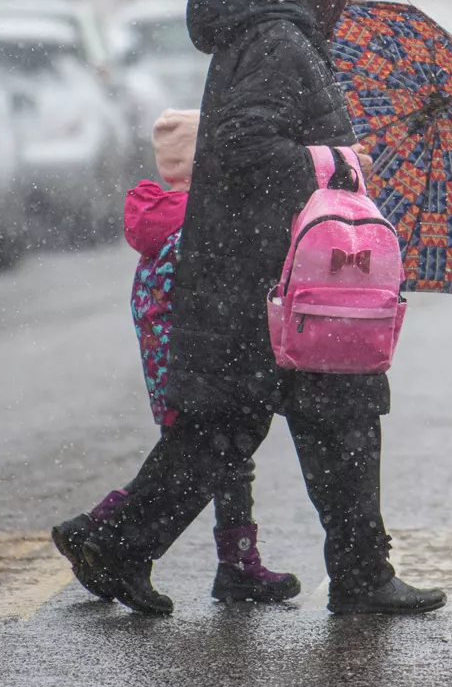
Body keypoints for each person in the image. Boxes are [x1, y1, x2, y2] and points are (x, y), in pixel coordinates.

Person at [68, 0, 446, 616]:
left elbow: (260, 142)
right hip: (271, 277)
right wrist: (334, 160)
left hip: (261, 270)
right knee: (309, 419)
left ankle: (118, 543)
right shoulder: (277, 39)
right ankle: (354, 574)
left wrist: (342, 152)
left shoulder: (272, 33)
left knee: (258, 424)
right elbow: (243, 150)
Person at [51, 109, 300, 604]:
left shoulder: (167, 217)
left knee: (220, 459)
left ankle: (237, 564)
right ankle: (109, 535)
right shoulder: (198, 229)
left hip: (171, 366)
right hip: (195, 369)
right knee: (199, 459)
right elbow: (205, 306)